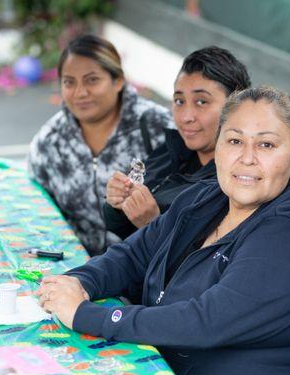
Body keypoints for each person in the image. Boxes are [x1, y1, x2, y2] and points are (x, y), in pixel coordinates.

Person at [36, 86, 290, 375]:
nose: (247, 158)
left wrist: (85, 314)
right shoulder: (206, 197)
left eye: (266, 144)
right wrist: (79, 282)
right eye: (235, 141)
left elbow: (207, 321)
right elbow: (134, 254)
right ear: (218, 146)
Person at [28, 34, 172, 256]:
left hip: (144, 267)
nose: (80, 92)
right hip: (73, 266)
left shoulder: (157, 128)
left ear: (118, 81)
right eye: (69, 82)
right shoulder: (50, 141)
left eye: (92, 79)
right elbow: (38, 210)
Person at [103, 46, 251, 240]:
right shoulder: (171, 150)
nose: (186, 117)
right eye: (180, 101)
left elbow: (200, 264)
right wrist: (117, 204)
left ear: (236, 107)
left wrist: (152, 223)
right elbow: (118, 229)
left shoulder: (232, 185)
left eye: (201, 102)